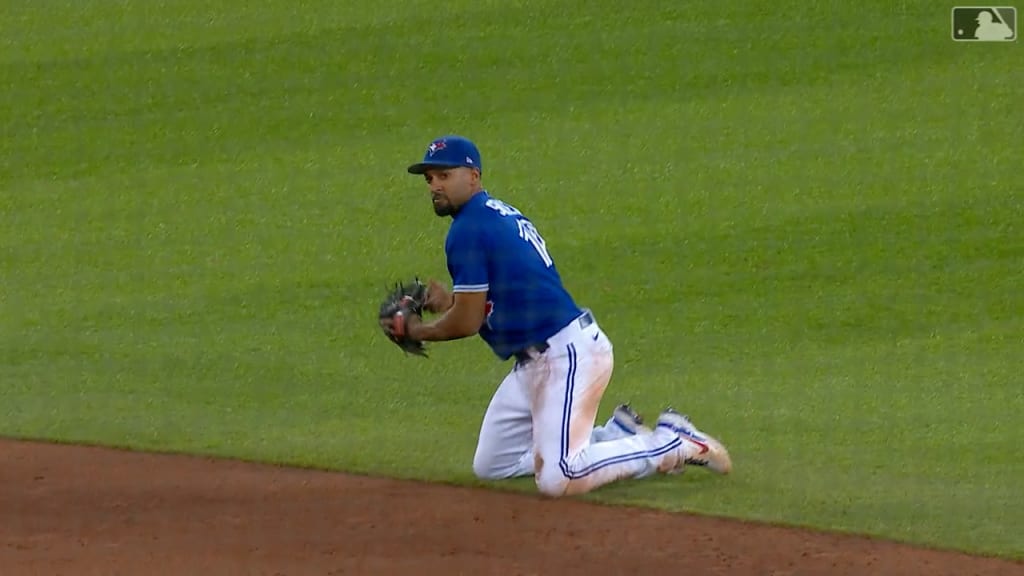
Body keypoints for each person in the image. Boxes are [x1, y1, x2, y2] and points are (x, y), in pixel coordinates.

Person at [388, 135, 732, 498]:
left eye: (444, 175)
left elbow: (468, 323)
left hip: (567, 356)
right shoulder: (492, 214)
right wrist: (451, 302)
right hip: (536, 361)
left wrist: (417, 329)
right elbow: (510, 290)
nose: (435, 186)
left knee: (559, 479)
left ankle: (672, 443)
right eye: (429, 179)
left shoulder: (468, 229)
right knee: (493, 466)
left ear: (473, 175)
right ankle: (616, 436)